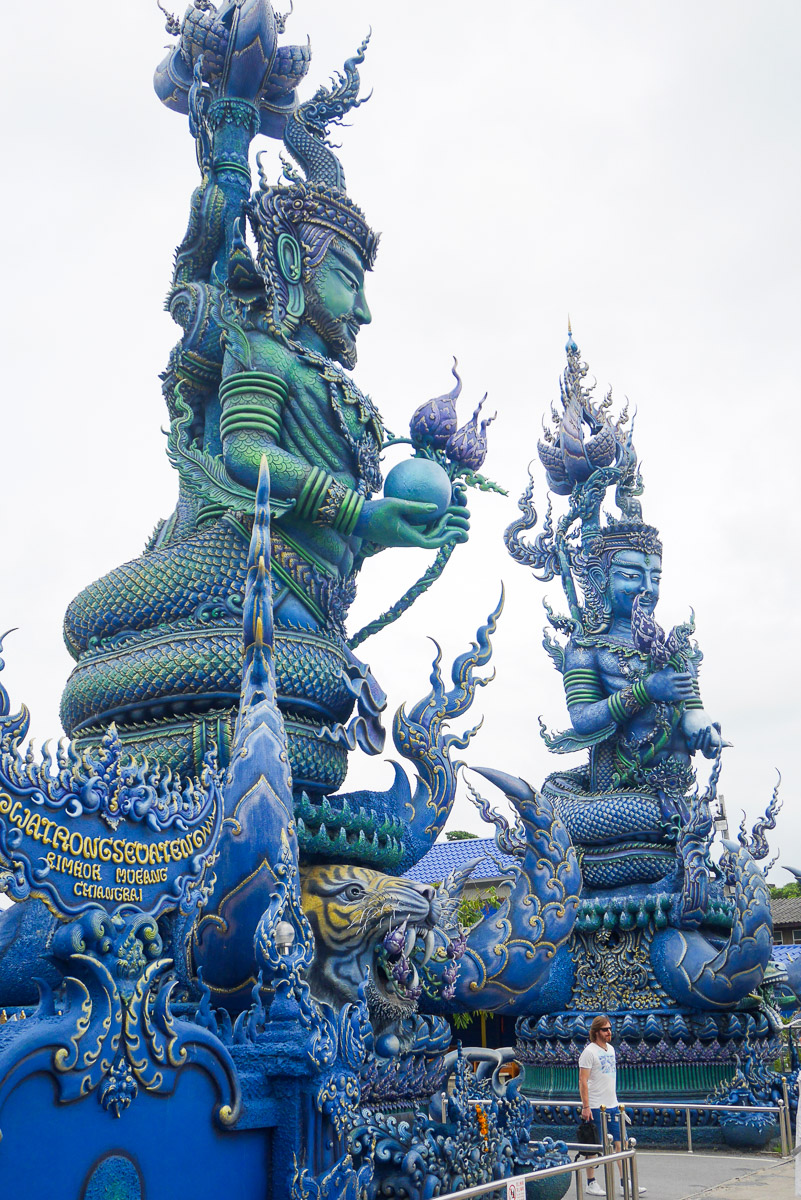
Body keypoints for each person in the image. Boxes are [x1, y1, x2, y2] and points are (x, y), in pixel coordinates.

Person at [579, 1014, 646, 1196]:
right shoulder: (589, 1052)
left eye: (610, 1029)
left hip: (612, 1104)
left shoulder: (611, 1050)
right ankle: (591, 1182)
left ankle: (626, 1182)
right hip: (594, 1105)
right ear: (596, 1032)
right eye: (605, 1029)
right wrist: (585, 1106)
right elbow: (583, 1081)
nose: (609, 1032)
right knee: (594, 1145)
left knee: (621, 1143)